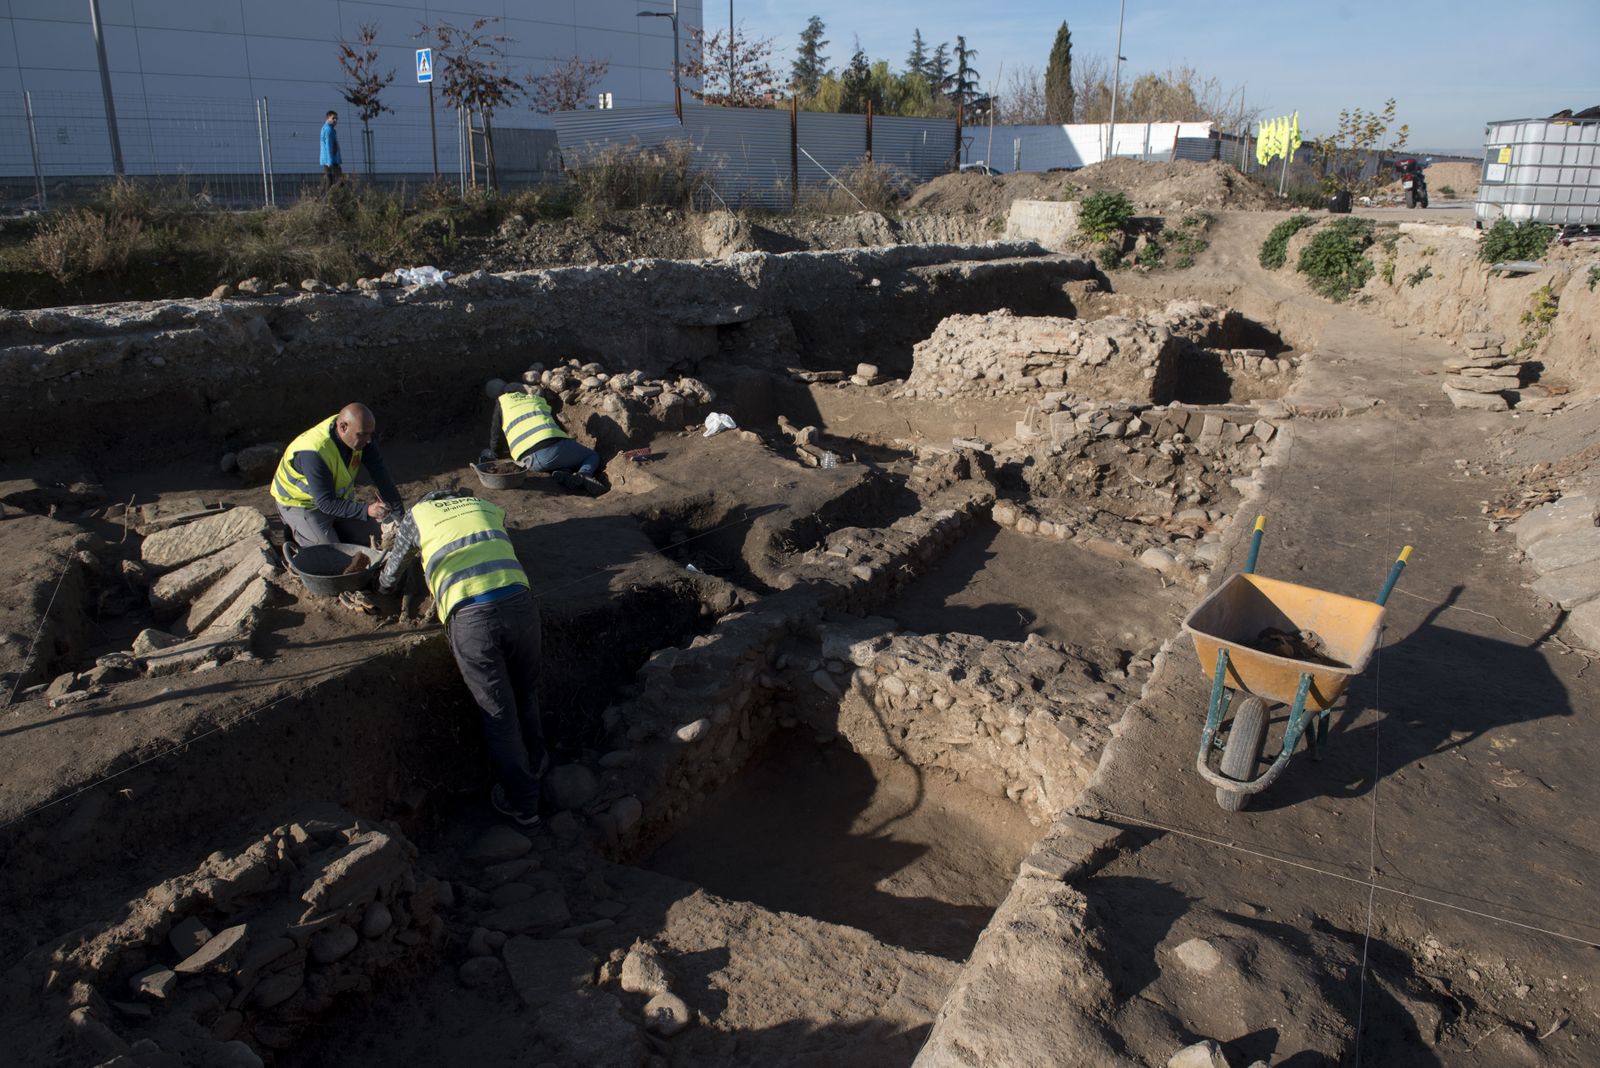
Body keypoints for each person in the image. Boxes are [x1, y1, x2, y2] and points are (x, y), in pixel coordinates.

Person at [377, 489, 545, 827]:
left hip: (471, 616)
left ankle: (524, 804)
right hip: (520, 603)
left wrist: (380, 587)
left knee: (499, 715)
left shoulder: (417, 516)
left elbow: (393, 570)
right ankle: (540, 767)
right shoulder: (484, 504)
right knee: (525, 692)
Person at [271, 403, 404, 547]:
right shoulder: (314, 452)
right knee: (333, 556)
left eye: (370, 433)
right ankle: (296, 531)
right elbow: (326, 503)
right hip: (301, 505)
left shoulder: (361, 435)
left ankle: (332, 531)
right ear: (343, 427)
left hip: (336, 500)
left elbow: (381, 476)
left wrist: (400, 517)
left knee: (378, 539)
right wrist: (367, 510)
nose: (369, 440)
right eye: (362, 434)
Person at [483, 385, 604, 496]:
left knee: (558, 460)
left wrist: (496, 454)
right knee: (591, 455)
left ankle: (562, 474)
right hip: (553, 450)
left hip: (528, 462)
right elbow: (558, 427)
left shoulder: (502, 402)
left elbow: (496, 435)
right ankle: (584, 474)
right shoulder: (537, 400)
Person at [320, 110, 342, 187]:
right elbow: (328, 146)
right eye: (333, 118)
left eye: (336, 118)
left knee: (330, 180)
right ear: (328, 118)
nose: (335, 120)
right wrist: (329, 162)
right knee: (334, 181)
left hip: (332, 159)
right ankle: (327, 197)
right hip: (330, 160)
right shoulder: (328, 130)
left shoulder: (331, 129)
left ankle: (321, 196)